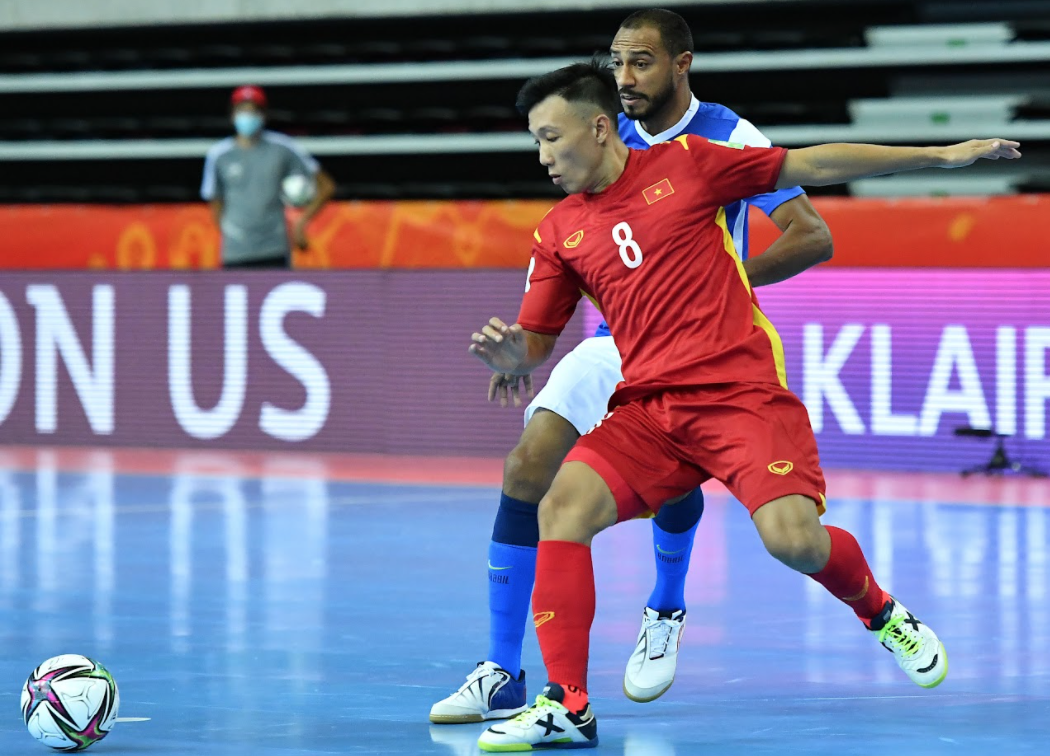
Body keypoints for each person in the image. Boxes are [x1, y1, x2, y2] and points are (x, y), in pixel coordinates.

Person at [468, 59, 1019, 751]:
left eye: (551, 138)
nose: (543, 157)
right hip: (652, 409)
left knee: (795, 542)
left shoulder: (689, 163)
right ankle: (567, 705)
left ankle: (880, 610)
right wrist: (511, 356)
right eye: (536, 143)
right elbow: (536, 342)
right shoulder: (558, 232)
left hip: (739, 396)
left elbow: (812, 162)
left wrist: (939, 155)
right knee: (562, 507)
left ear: (600, 127)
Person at [429, 9, 833, 725]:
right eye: (617, 62)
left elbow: (812, 235)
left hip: (701, 340)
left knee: (673, 474)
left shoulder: (725, 135)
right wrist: (520, 348)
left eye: (640, 62)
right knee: (527, 467)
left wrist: (712, 284)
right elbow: (563, 261)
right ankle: (502, 670)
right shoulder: (596, 131)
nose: (625, 76)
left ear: (681, 64)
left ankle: (666, 606)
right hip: (612, 338)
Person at [200, 85, 336, 269]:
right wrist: (232, 234)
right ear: (232, 115)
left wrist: (301, 222)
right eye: (242, 110)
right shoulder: (219, 155)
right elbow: (215, 202)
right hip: (235, 251)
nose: (247, 117)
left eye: (253, 111)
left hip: (274, 248)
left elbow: (326, 185)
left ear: (264, 115)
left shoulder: (283, 148)